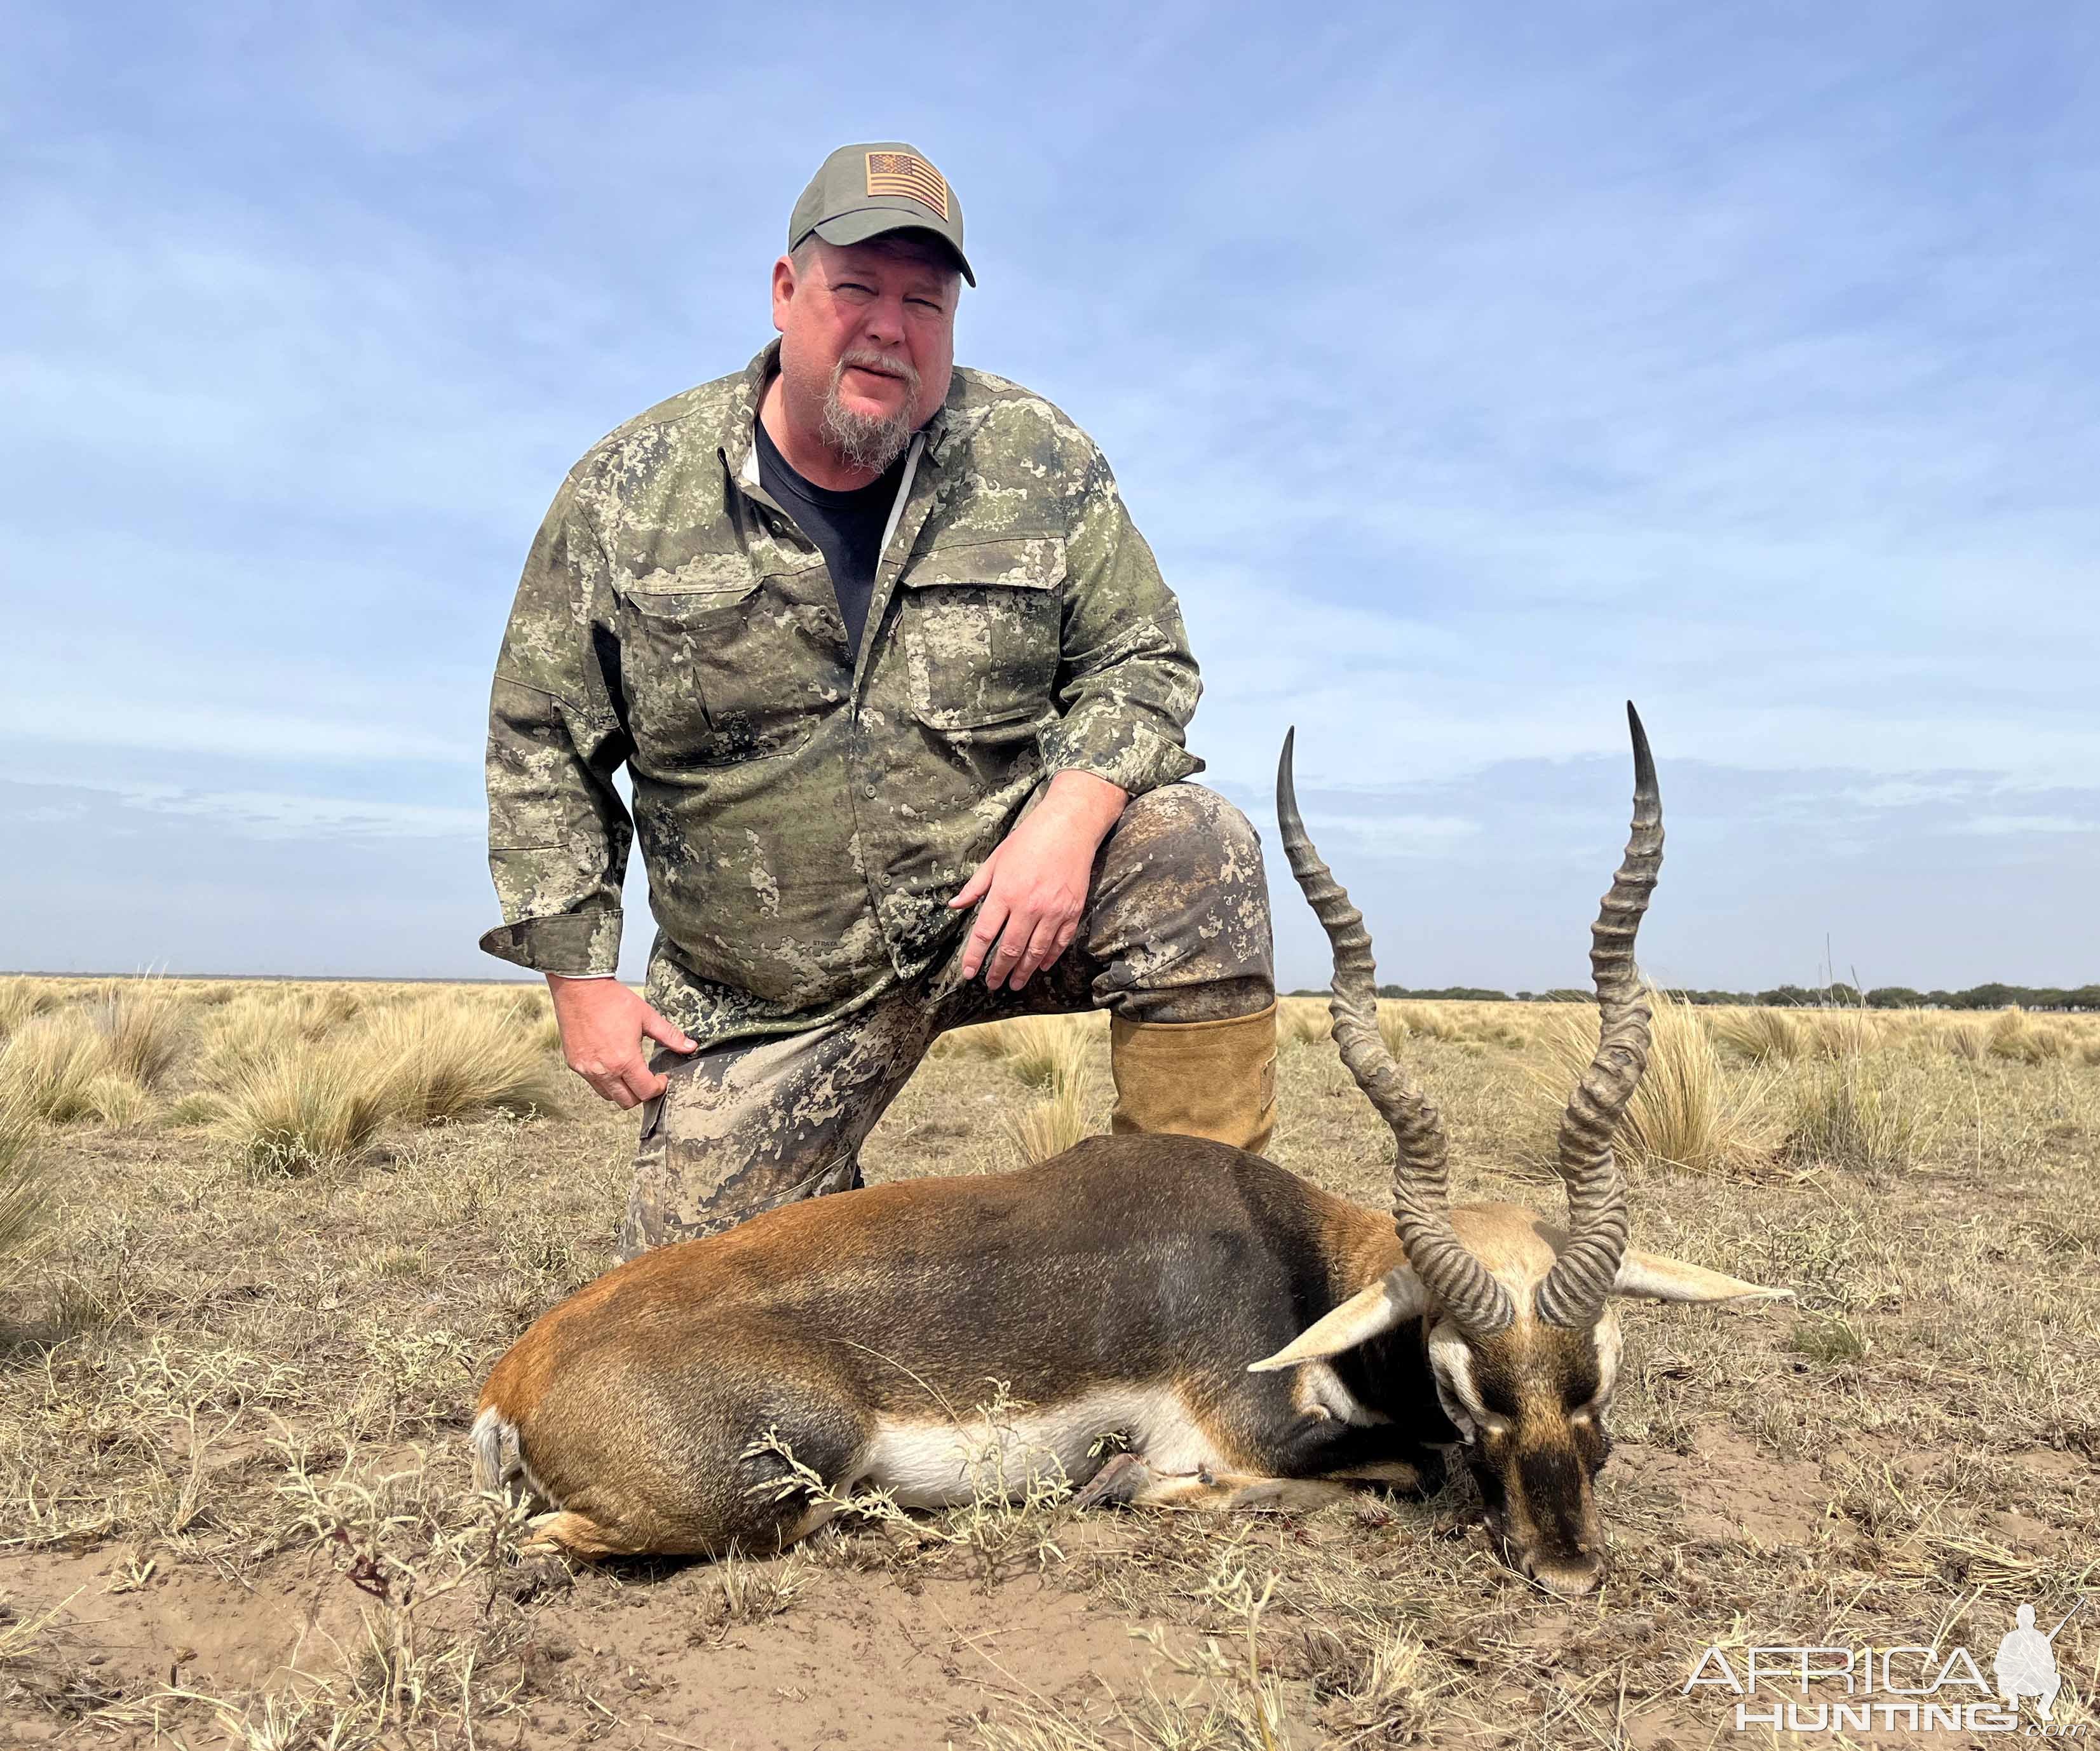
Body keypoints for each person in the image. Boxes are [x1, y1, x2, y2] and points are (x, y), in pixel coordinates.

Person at [481, 141, 1276, 1258]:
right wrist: (578, 978)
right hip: (764, 996)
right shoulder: (626, 493)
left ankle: (1198, 1264)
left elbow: (1142, 661)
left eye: (925, 301)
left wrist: (1070, 812)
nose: (890, 328)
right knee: (703, 1335)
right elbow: (541, 744)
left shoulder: (1034, 458)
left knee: (1196, 847)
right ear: (785, 291)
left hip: (997, 920)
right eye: (855, 289)